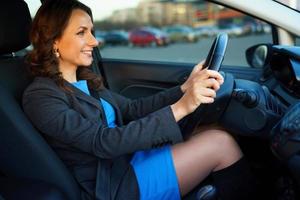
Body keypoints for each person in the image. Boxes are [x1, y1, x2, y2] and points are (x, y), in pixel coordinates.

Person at [22, 0, 257, 199]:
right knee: (220, 143)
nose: (94, 41)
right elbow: (102, 142)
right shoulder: (40, 96)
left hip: (128, 159)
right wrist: (181, 108)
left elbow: (133, 109)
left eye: (92, 31)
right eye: (82, 32)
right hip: (113, 182)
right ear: (54, 41)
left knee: (215, 128)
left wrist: (184, 89)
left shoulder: (86, 81)